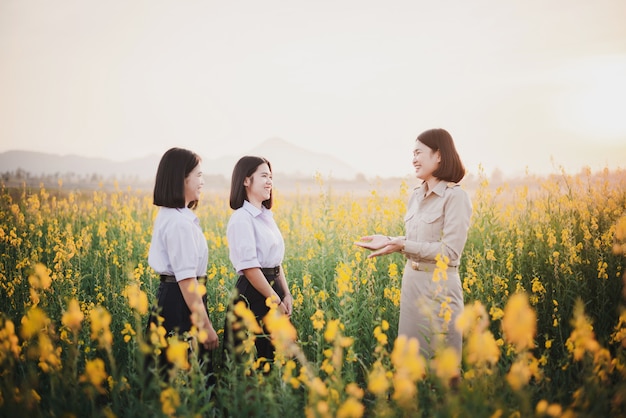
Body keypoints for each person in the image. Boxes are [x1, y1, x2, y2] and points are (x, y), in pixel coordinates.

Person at [355, 128, 472, 371]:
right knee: (410, 367)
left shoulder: (455, 197)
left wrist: (404, 245)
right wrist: (389, 240)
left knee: (443, 368)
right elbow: (416, 239)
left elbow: (450, 252)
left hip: (439, 288)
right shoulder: (416, 195)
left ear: (438, 155)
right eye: (413, 153)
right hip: (412, 286)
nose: (414, 159)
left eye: (419, 152)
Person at [147, 147, 219, 380]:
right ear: (181, 178)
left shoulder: (172, 216)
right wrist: (205, 326)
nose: (202, 181)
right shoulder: (179, 223)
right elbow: (187, 281)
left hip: (175, 298)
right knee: (186, 380)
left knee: (170, 378)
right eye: (198, 175)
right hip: (180, 303)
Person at [223, 155, 293, 363]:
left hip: (273, 291)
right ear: (246, 180)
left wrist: (286, 294)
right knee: (254, 363)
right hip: (253, 295)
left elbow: (275, 262)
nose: (269, 181)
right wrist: (275, 300)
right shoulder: (241, 219)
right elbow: (251, 268)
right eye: (264, 176)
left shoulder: (266, 217)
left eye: (271, 176)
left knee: (277, 360)